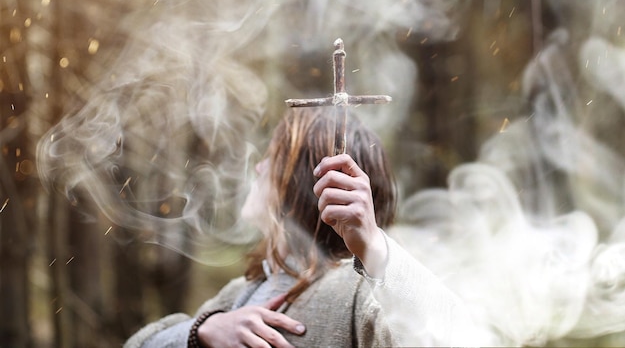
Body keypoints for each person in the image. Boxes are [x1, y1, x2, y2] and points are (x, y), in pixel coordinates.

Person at [124, 107, 475, 348]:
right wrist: (203, 331)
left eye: (274, 157)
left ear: (305, 183)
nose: (259, 168)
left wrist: (373, 247)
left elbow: (456, 338)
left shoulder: (358, 289)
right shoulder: (241, 293)